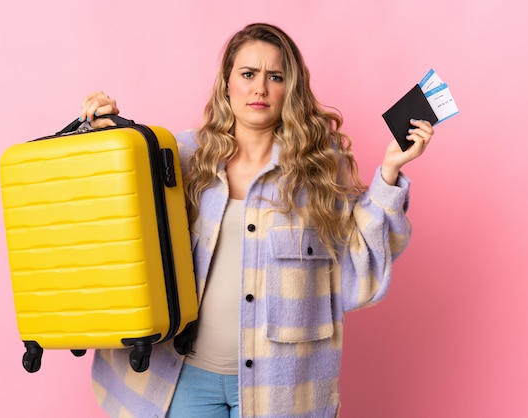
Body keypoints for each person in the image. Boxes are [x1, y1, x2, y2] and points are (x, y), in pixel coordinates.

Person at [79, 22, 434, 418]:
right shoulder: (179, 157)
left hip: (280, 392)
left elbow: (357, 271)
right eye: (248, 74)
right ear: (227, 83)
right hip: (179, 382)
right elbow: (111, 221)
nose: (260, 88)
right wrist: (104, 133)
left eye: (275, 76)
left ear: (290, 89)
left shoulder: (319, 170)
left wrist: (388, 175)